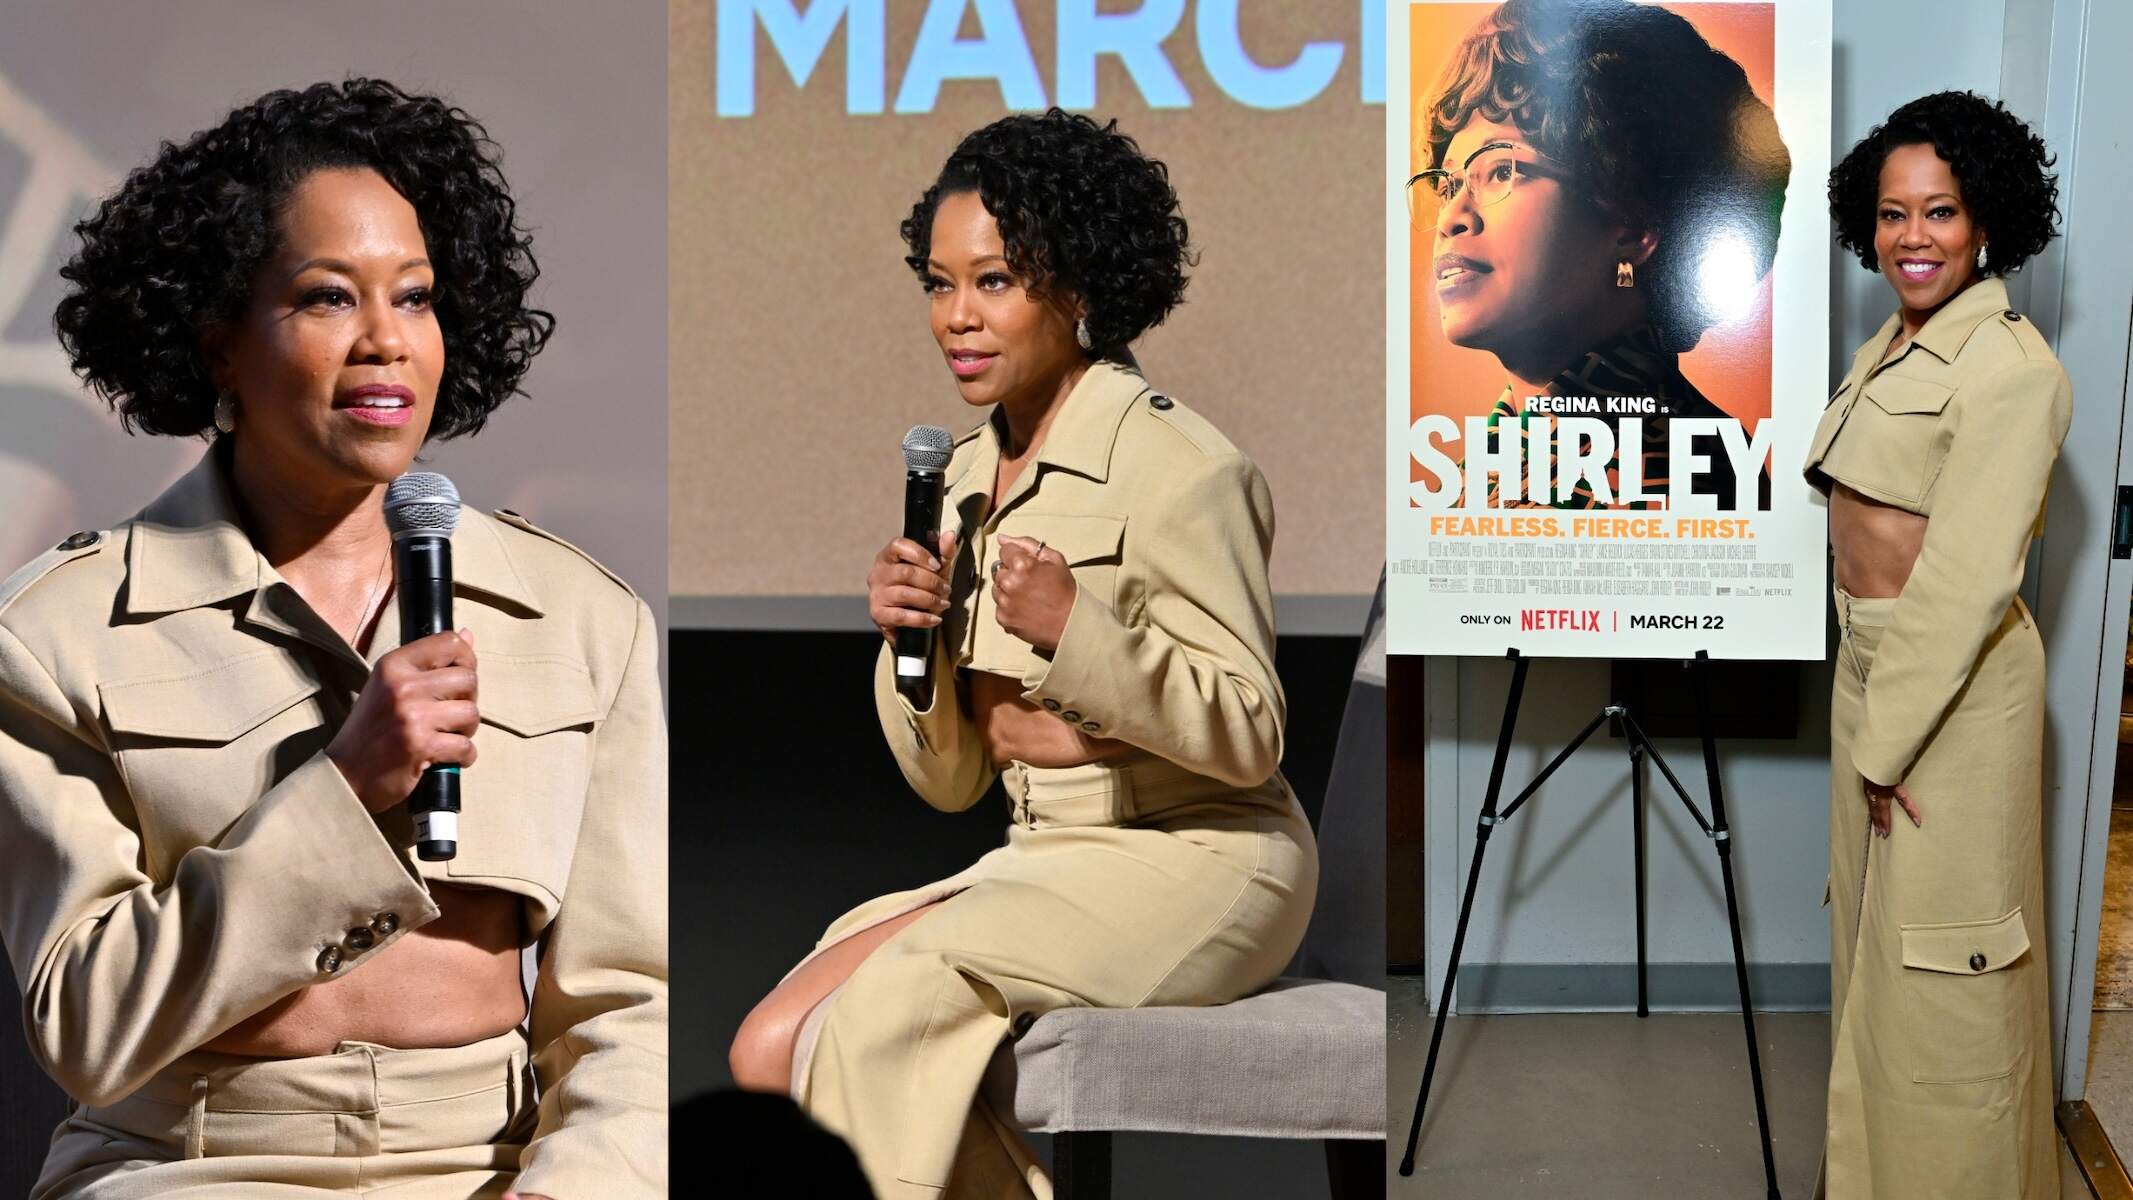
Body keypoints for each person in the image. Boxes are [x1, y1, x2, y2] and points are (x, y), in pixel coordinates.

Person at [0, 79, 666, 1199]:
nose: (384, 344)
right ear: (215, 339)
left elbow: (627, 1004)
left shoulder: (583, 615)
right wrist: (345, 787)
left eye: (414, 298)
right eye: (325, 298)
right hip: (188, 1164)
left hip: (489, 1167)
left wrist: (571, 1188)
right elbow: (87, 1023)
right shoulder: (54, 633)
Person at [727, 108, 1318, 1199]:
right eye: (939, 284)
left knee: (895, 1004)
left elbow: (1250, 730)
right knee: (765, 1052)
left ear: (1078, 284)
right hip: (1044, 856)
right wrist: (910, 645)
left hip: (1201, 854)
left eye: (994, 281)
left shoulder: (1184, 468)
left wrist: (1076, 633)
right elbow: (952, 782)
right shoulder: (957, 475)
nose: (958, 317)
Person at [1805, 90, 2068, 1200]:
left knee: (1948, 978)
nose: (1913, 238)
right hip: (1880, 674)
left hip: (1949, 698)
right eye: (1893, 214)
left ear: (1988, 222)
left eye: (1941, 213)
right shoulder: (1896, 342)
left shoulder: (2014, 370)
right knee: (1874, 953)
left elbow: (1963, 584)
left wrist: (1888, 741)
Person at [1414, 0, 1788, 511]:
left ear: (1633, 222)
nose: (1453, 216)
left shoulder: (1676, 480)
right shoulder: (1480, 470)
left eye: (1501, 171)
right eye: (1447, 183)